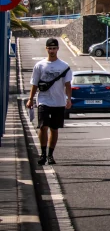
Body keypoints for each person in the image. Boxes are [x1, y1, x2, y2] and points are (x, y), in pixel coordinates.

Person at [26, 38, 72, 166]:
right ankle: (43, 154)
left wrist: (68, 99)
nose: (52, 51)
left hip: (58, 102)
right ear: (46, 49)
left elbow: (68, 85)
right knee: (43, 126)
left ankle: (51, 155)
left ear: (57, 49)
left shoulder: (64, 66)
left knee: (54, 128)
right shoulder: (39, 66)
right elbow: (34, 84)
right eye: (49, 48)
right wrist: (30, 99)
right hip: (43, 100)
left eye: (54, 48)